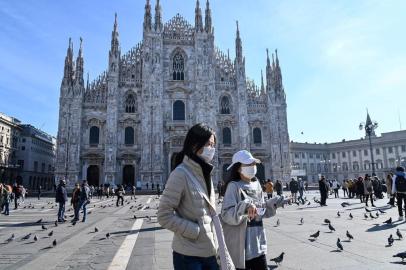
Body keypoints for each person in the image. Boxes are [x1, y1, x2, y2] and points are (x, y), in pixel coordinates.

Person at [157, 123, 219, 270]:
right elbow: (163, 215)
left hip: (209, 252)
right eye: (208, 144)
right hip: (188, 256)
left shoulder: (205, 174)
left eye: (213, 145)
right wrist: (194, 230)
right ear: (194, 145)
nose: (211, 149)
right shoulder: (180, 174)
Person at [221, 150, 288, 270]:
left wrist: (273, 204)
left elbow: (260, 212)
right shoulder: (234, 186)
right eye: (248, 165)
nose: (252, 167)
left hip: (258, 244)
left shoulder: (256, 184)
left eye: (253, 164)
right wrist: (245, 207)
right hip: (241, 247)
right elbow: (226, 215)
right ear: (238, 168)